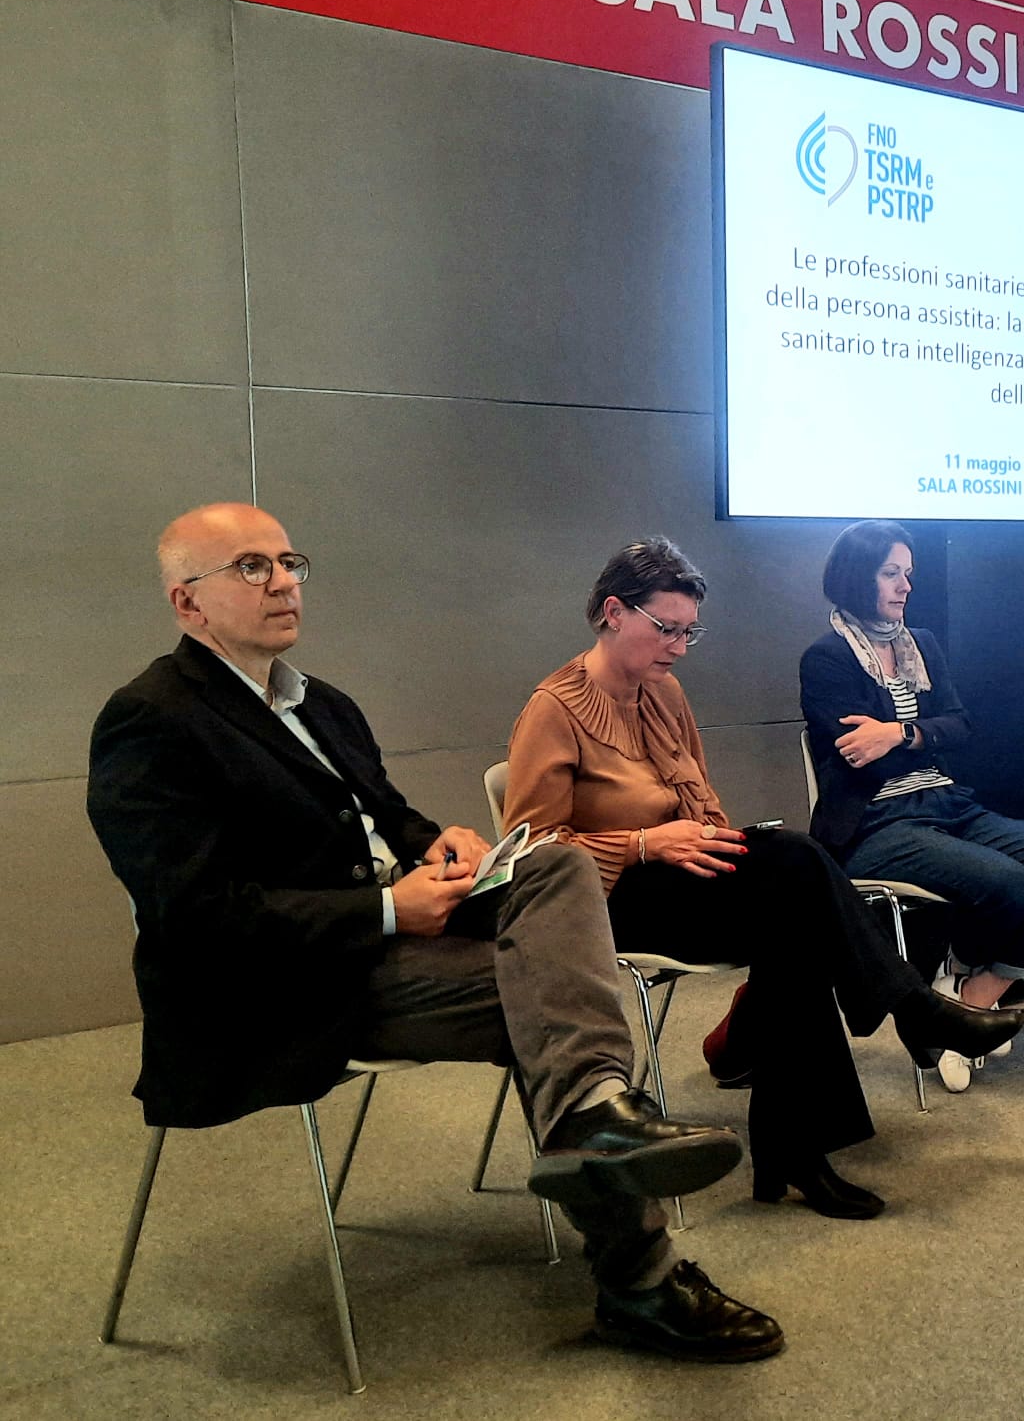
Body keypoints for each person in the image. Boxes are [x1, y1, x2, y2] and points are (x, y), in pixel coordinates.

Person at [87, 504, 782, 1364]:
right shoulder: (150, 719)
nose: (285, 583)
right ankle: (638, 1269)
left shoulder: (321, 704)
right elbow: (192, 916)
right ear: (187, 602)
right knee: (554, 996)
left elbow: (388, 817)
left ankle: (593, 1117)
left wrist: (438, 844)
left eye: (290, 562)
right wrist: (388, 911)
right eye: (252, 567)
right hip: (287, 982)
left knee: (556, 865)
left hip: (402, 939)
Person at [504, 535, 1024, 1220]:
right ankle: (907, 1015)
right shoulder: (554, 708)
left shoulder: (664, 691)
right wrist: (643, 843)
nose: (679, 648)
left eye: (690, 632)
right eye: (666, 629)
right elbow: (530, 854)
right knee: (799, 869)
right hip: (612, 901)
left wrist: (719, 838)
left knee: (793, 909)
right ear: (613, 612)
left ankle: (800, 1153)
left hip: (689, 879)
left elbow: (699, 797)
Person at [799, 520, 1024, 1094]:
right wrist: (920, 737)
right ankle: (955, 998)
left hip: (945, 801)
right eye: (891, 573)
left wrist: (899, 734)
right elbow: (860, 758)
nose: (905, 585)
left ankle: (969, 998)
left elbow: (963, 727)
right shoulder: (826, 658)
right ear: (857, 577)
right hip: (873, 824)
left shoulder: (922, 644)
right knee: (1005, 882)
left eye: (908, 573)